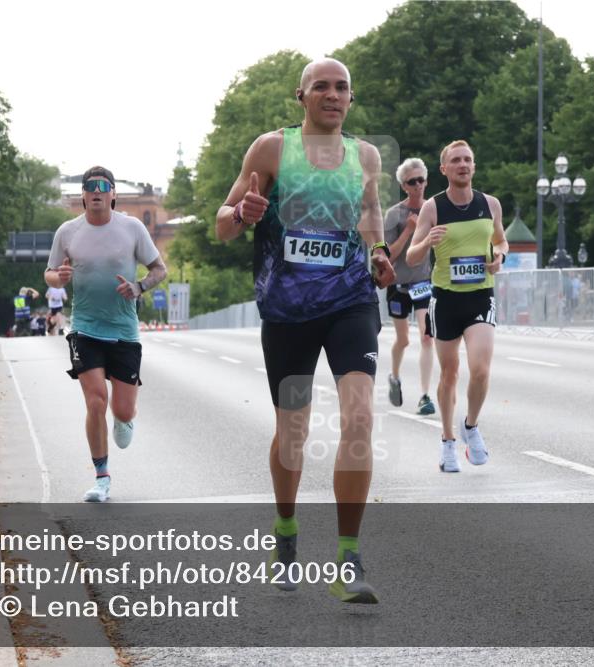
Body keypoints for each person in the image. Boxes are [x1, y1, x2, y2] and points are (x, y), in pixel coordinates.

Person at [215, 58, 395, 604]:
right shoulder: (270, 149)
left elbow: (370, 214)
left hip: (351, 302)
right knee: (293, 432)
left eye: (342, 87)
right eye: (322, 86)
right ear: (302, 97)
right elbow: (222, 225)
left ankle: (348, 557)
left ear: (351, 98)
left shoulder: (365, 155)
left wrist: (380, 254)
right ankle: (287, 532)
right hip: (288, 311)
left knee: (360, 414)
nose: (333, 94)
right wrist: (243, 214)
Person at [45, 166, 167, 503]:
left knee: (123, 411)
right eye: (90, 186)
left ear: (113, 194)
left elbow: (160, 269)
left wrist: (139, 286)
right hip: (85, 327)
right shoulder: (68, 232)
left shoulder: (132, 228)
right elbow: (50, 273)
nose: (97, 191)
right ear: (83, 195)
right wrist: (61, 278)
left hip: (124, 329)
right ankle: (102, 477)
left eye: (103, 186)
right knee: (96, 399)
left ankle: (125, 420)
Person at [407, 140, 508, 474]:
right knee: (449, 374)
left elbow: (500, 240)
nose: (463, 164)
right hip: (446, 299)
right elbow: (411, 256)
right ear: (444, 168)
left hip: (480, 296)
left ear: (474, 166)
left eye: (468, 159)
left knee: (480, 369)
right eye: (456, 160)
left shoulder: (490, 204)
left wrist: (499, 256)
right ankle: (448, 441)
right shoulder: (433, 208)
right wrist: (426, 242)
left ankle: (471, 425)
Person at [384, 157, 436, 415]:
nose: (418, 185)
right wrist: (408, 231)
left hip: (423, 282)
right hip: (397, 284)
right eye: (412, 182)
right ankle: (394, 376)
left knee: (427, 336)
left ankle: (425, 396)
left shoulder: (433, 209)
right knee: (403, 340)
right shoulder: (394, 214)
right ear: (404, 186)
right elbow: (388, 255)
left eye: (421, 180)